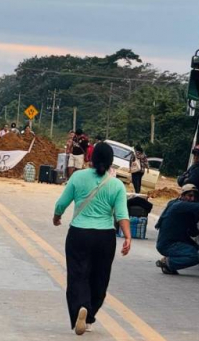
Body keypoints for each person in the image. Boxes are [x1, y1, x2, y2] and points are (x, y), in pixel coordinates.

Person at [53, 142, 131, 336]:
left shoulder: (78, 177)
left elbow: (62, 202)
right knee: (100, 277)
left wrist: (57, 216)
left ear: (91, 158)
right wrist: (128, 237)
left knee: (78, 274)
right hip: (105, 237)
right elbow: (122, 214)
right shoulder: (117, 185)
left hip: (79, 233)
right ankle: (89, 316)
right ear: (112, 162)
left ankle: (81, 305)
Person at [155, 184, 199, 275]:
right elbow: (198, 207)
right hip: (168, 245)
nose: (192, 199)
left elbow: (193, 232)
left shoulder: (183, 209)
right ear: (182, 195)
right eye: (189, 196)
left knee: (197, 249)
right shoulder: (178, 205)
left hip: (173, 242)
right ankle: (168, 263)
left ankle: (170, 264)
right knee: (194, 256)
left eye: (194, 197)